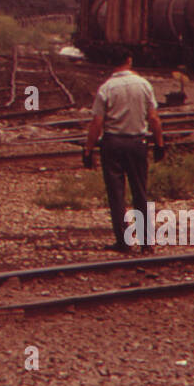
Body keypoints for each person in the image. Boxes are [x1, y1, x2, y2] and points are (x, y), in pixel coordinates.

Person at [82, 46, 165, 252]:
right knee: (140, 192)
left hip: (113, 144)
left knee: (116, 194)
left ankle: (124, 242)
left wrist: (88, 149)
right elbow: (154, 118)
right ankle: (147, 243)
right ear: (129, 60)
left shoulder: (106, 88)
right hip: (138, 143)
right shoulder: (144, 85)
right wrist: (160, 144)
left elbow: (96, 123)